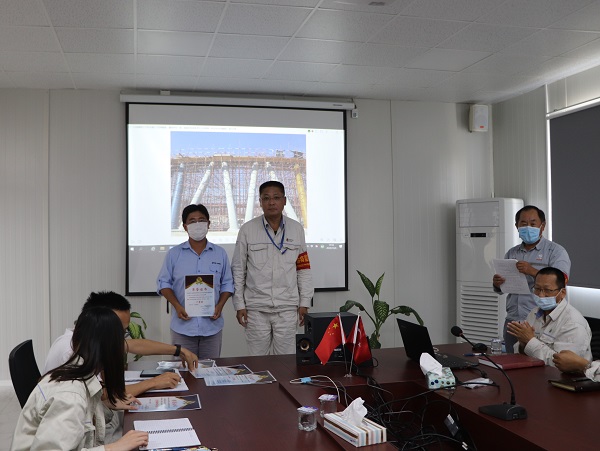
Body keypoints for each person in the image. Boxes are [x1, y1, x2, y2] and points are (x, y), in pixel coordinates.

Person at [11, 307, 149, 451]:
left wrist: (105, 405)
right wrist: (112, 448)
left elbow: (81, 424)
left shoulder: (77, 373)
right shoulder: (70, 397)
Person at [232, 180, 314, 355]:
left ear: (284, 201)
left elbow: (303, 269)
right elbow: (238, 269)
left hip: (287, 307)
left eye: (276, 198)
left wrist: (305, 302)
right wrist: (239, 304)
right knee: (257, 361)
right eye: (266, 198)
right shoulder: (247, 230)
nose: (271, 202)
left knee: (286, 361)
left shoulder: (296, 229)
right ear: (260, 202)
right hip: (256, 308)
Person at [157, 204, 234, 359]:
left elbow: (227, 283)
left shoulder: (220, 253)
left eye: (201, 220)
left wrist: (220, 305)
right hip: (182, 328)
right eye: (192, 221)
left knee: (210, 370)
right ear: (185, 227)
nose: (197, 224)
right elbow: (163, 283)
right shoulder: (174, 254)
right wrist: (177, 306)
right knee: (182, 370)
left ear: (208, 224)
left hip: (212, 327)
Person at [492, 205, 570, 353]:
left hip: (541, 320)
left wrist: (532, 271)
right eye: (523, 223)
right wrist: (498, 283)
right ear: (517, 226)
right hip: (513, 318)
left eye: (533, 224)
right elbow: (502, 289)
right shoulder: (512, 253)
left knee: (541, 359)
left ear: (542, 226)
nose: (528, 227)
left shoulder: (556, 251)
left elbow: (562, 280)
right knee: (511, 360)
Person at [507, 267, 591, 366]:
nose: (541, 295)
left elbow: (561, 364)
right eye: (537, 289)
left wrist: (530, 341)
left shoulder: (573, 322)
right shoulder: (534, 313)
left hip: (563, 375)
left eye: (547, 290)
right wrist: (523, 343)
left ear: (562, 293)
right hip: (534, 370)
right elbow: (518, 352)